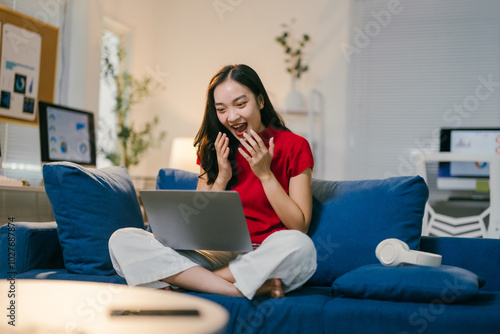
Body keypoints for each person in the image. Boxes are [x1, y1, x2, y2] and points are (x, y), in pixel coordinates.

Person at [109, 64, 317, 299]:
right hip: (213, 253)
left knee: (301, 247)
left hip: (263, 253)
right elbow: (198, 225)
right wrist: (221, 179)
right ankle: (234, 289)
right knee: (123, 240)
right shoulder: (214, 147)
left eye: (241, 104)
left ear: (260, 100)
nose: (232, 116)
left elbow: (299, 227)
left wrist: (265, 175)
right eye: (221, 109)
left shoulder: (294, 145)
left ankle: (185, 282)